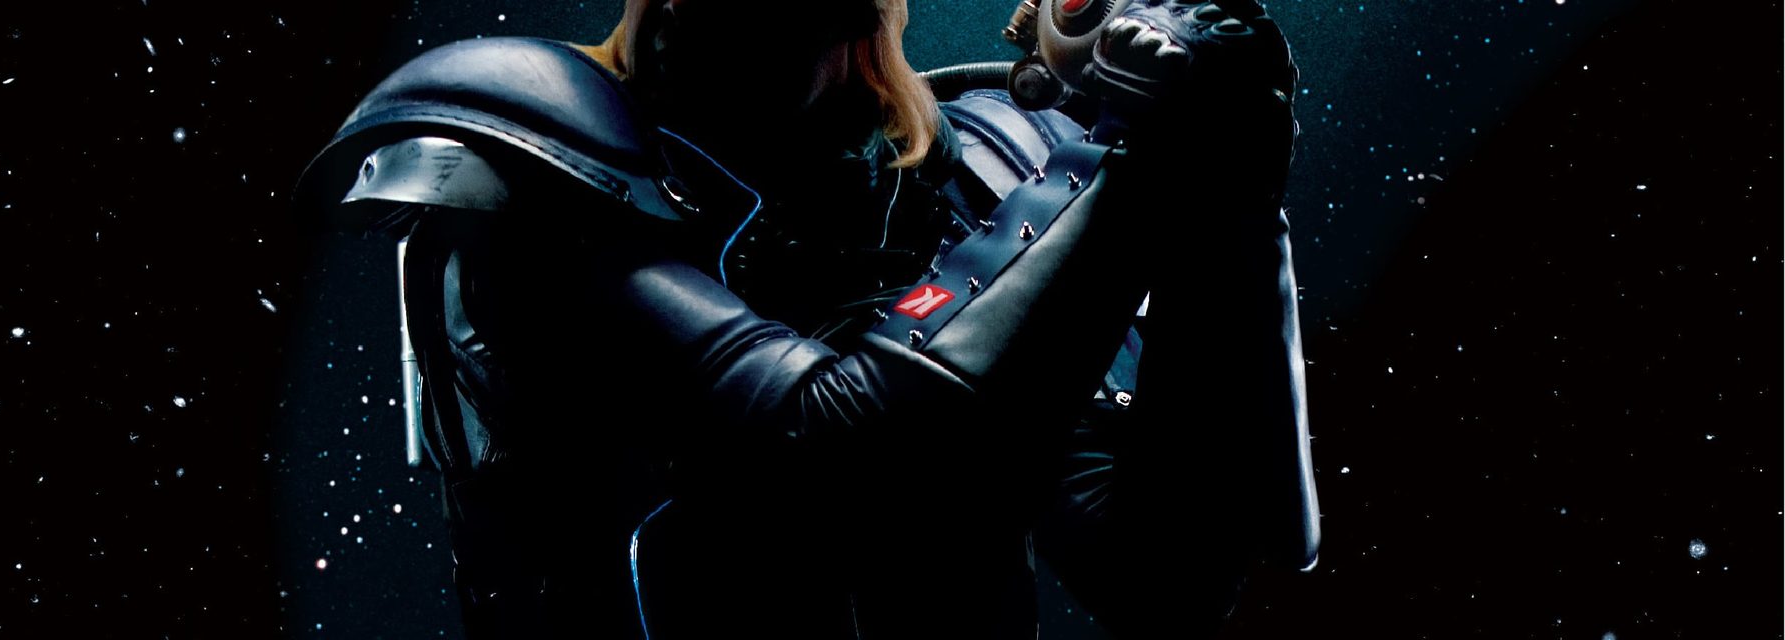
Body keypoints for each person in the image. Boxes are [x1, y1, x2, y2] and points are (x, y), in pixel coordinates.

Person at [296, 0, 1319, 637]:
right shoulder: (538, 153)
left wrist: (1227, 193)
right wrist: (1129, 163)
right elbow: (840, 452)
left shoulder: (966, 176)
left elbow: (1161, 575)